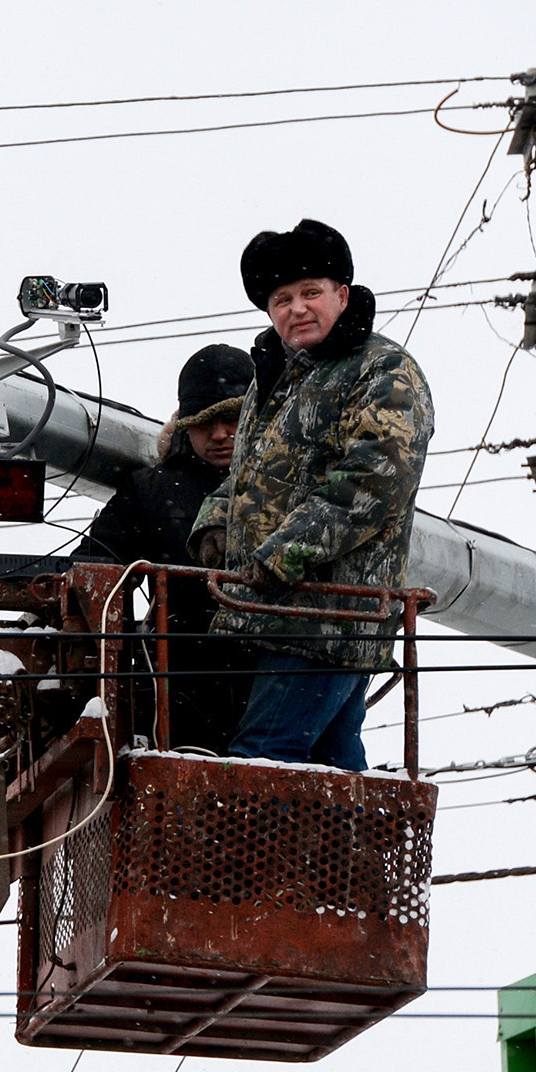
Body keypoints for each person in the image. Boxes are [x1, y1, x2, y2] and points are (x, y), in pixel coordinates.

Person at [190, 219, 433, 771]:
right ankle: (352, 858)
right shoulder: (275, 380)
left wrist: (283, 553)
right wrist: (215, 525)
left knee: (263, 760)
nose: (297, 309)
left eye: (310, 293)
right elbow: (248, 474)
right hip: (285, 614)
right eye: (282, 299)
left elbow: (373, 483)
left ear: (341, 297)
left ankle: (266, 860)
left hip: (328, 616)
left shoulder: (383, 370)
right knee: (329, 765)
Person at [72, 344, 256, 753]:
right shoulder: (150, 490)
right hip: (178, 684)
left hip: (273, 675)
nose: (221, 433)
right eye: (205, 422)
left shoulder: (285, 486)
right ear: (185, 425)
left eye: (232, 419)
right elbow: (94, 567)